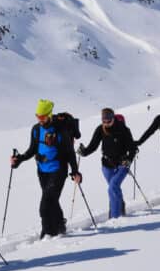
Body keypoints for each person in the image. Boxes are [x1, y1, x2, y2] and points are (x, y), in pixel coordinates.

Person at [10, 99, 82, 238]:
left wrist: (75, 171)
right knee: (52, 200)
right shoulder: (36, 130)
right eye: (38, 116)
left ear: (49, 115)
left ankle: (48, 233)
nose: (40, 120)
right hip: (42, 170)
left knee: (45, 204)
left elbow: (70, 152)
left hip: (58, 170)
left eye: (42, 117)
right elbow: (32, 149)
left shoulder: (60, 129)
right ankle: (60, 225)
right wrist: (19, 159)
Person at [78, 108, 138, 219]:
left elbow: (132, 148)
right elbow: (93, 146)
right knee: (114, 189)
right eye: (104, 121)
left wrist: (129, 159)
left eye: (108, 121)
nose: (106, 124)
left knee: (113, 187)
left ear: (113, 118)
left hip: (122, 164)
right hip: (107, 165)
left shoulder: (123, 129)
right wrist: (84, 152)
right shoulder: (100, 129)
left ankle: (114, 218)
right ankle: (121, 206)